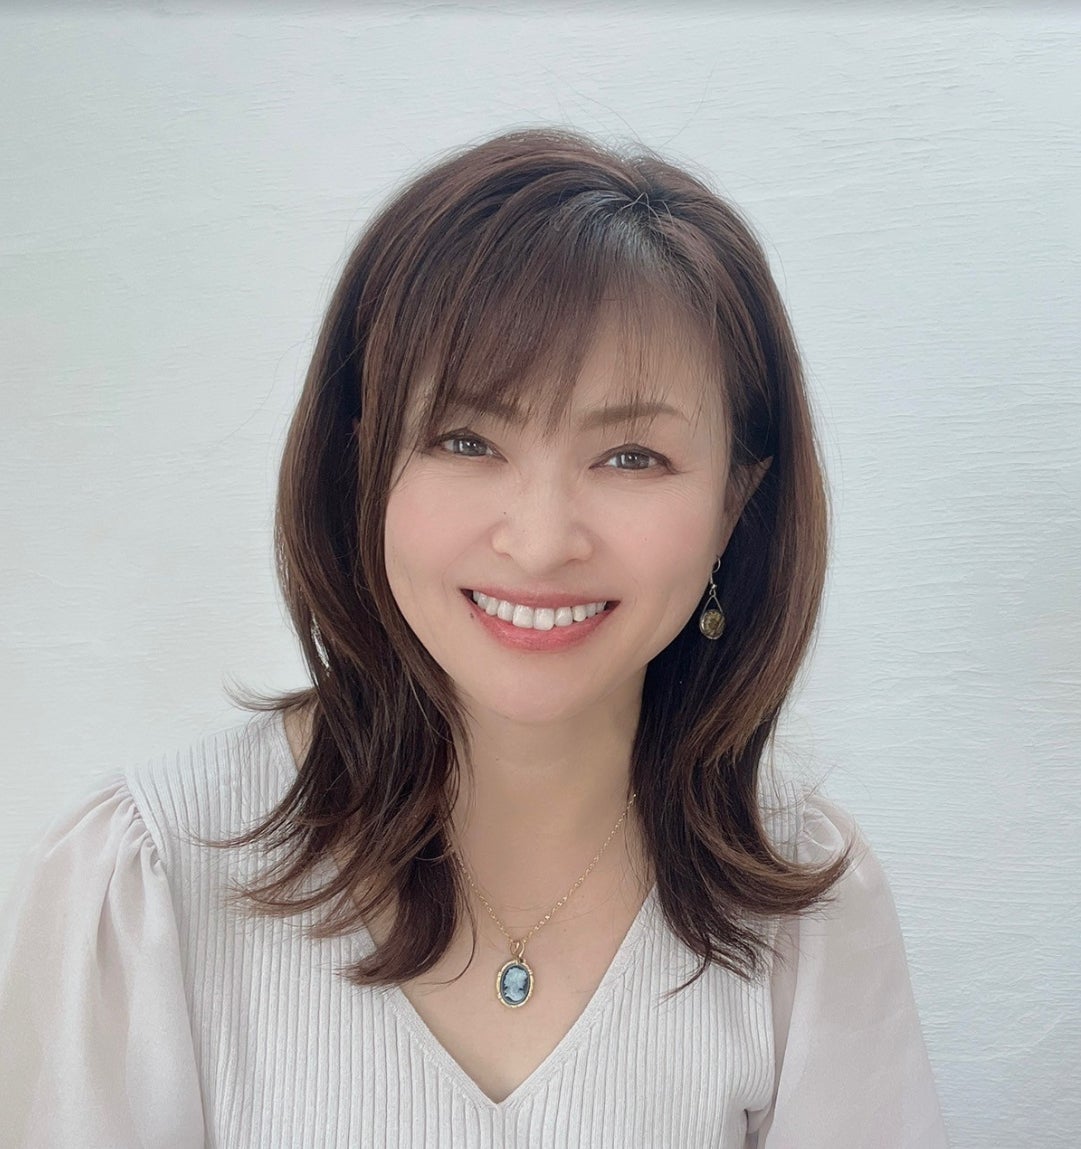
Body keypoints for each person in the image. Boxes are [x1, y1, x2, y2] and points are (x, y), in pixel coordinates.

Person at [0, 127, 948, 1148]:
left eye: (632, 456)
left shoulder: (801, 901)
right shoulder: (149, 883)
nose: (539, 542)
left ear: (734, 502)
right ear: (362, 465)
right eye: (465, 440)